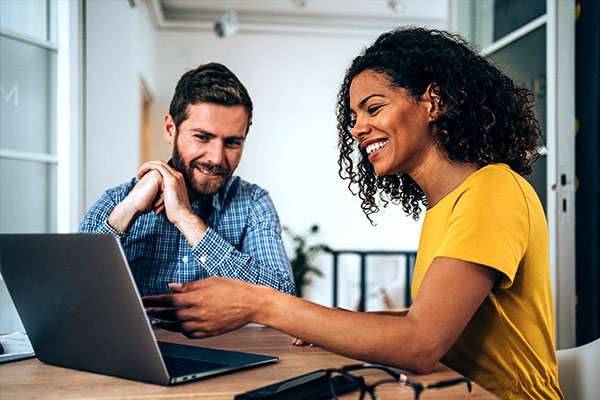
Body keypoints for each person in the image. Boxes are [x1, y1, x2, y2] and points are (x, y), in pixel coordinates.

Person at [142, 29, 563, 400]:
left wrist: (258, 303)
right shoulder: (445, 207)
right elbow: (435, 319)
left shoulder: (492, 190)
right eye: (354, 116)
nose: (357, 128)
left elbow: (420, 343)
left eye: (373, 108)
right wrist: (323, 325)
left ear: (432, 101)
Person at [80, 63, 295, 297]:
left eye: (232, 142)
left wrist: (185, 218)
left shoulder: (253, 202)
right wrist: (127, 212)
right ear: (171, 129)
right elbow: (72, 290)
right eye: (202, 137)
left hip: (228, 337)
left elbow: (283, 296)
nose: (216, 158)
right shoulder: (118, 200)